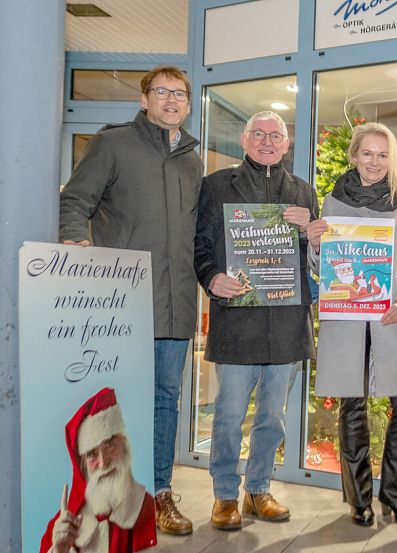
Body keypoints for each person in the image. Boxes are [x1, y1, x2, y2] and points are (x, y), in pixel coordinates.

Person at [59, 66, 203, 536]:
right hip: (120, 304)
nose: (170, 100)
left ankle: (159, 496)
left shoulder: (192, 159)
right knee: (113, 405)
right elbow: (75, 202)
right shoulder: (113, 144)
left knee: (165, 399)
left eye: (179, 94)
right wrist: (74, 245)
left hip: (176, 303)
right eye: (161, 92)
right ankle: (107, 503)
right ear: (144, 99)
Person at [193, 111, 320, 530]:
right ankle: (225, 495)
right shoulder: (216, 186)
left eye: (276, 135)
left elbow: (316, 261)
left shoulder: (303, 192)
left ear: (286, 144)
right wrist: (212, 277)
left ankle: (259, 489)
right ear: (245, 141)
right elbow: (201, 246)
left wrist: (312, 233)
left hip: (285, 322)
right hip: (237, 322)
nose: (268, 141)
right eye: (259, 134)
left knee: (273, 418)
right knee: (228, 415)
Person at [306, 122, 397, 527]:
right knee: (352, 405)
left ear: (391, 158)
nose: (374, 162)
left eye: (382, 154)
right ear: (354, 156)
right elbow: (322, 270)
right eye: (367, 154)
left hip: (393, 315)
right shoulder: (332, 201)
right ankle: (359, 500)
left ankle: (396, 496)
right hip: (348, 320)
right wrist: (316, 245)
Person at [40, 388, 156, 553]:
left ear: (124, 445)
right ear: (82, 465)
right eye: (92, 454)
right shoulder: (61, 526)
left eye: (109, 445)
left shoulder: (146, 509)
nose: (103, 463)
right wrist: (58, 550)